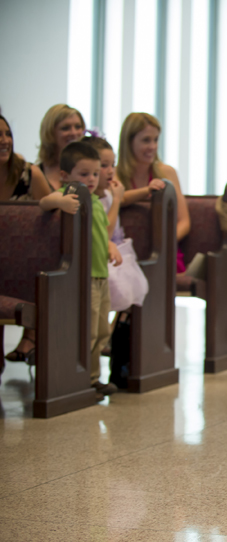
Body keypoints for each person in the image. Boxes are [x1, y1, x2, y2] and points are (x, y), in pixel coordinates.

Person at [40, 141, 123, 397]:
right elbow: (43, 202)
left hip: (100, 273)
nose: (91, 179)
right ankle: (79, 377)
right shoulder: (71, 194)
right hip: (83, 276)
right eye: (84, 174)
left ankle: (93, 377)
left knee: (100, 330)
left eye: (95, 174)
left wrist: (109, 243)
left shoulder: (96, 201)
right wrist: (60, 201)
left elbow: (100, 231)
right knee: (86, 330)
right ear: (65, 176)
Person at [0, 114, 53, 366]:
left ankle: (32, 339)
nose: (4, 140)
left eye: (7, 134)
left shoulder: (28, 173)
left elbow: (53, 223)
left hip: (24, 264)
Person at [116, 112, 191, 271]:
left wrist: (164, 242)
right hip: (124, 254)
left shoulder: (167, 173)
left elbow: (184, 222)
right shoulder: (115, 175)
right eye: (146, 140)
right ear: (129, 142)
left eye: (155, 140)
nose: (152, 146)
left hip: (164, 251)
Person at [83, 134, 149, 312]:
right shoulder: (91, 200)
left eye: (113, 164)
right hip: (101, 260)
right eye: (104, 166)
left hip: (117, 254)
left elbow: (126, 196)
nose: (111, 171)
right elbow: (106, 233)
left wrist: (147, 190)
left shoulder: (107, 193)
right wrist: (117, 199)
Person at [36, 104, 86, 190]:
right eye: (65, 128)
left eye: (78, 127)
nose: (74, 133)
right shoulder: (35, 172)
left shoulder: (91, 169)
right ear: (50, 132)